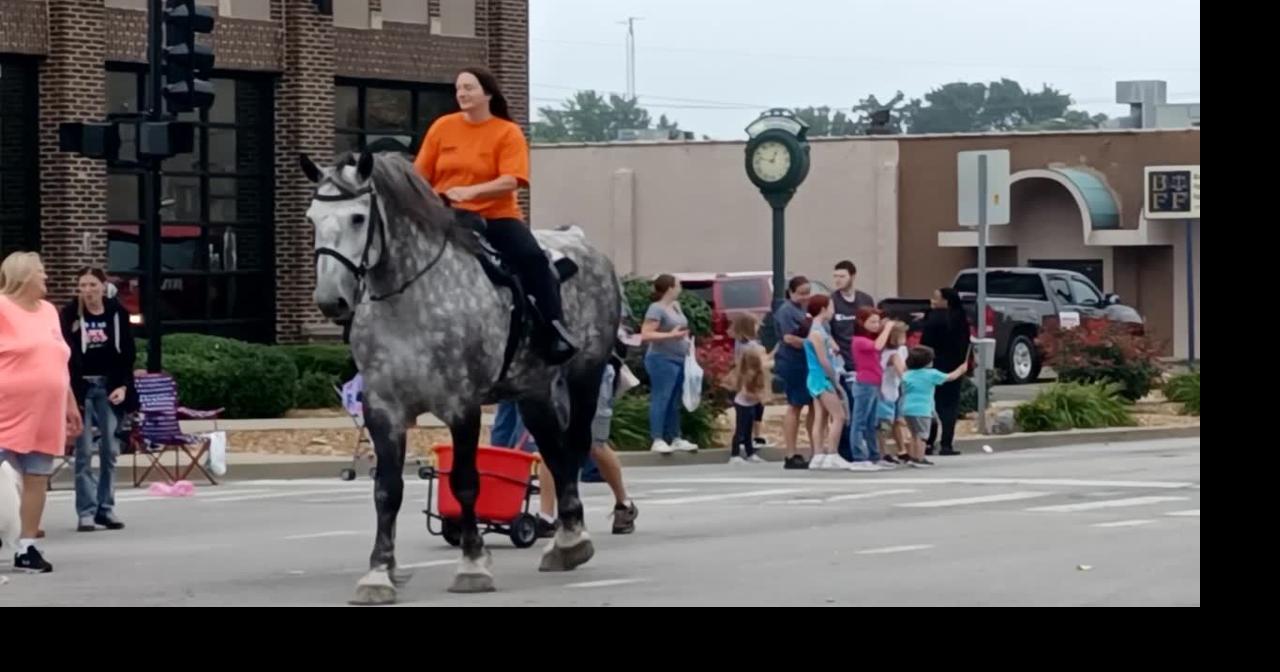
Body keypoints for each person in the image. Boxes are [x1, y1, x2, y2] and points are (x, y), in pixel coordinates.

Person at [413, 66, 577, 365]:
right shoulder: (442, 127)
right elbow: (419, 175)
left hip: (496, 217)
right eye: (459, 88)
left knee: (533, 258)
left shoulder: (507, 132)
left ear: (487, 93)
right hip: (445, 217)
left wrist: (471, 192)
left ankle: (554, 328)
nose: (462, 93)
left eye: (469, 88)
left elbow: (512, 179)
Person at [0, 252, 82, 573]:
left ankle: (27, 547)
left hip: (45, 411)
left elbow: (59, 360)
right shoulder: (2, 308)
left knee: (37, 477)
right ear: (23, 275)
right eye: (41, 272)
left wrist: (70, 403)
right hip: (6, 410)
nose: (46, 277)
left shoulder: (49, 311)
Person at [61, 267, 135, 533]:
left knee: (109, 451)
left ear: (103, 286)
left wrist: (124, 387)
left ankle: (106, 508)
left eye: (93, 285)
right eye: (83, 285)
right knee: (83, 453)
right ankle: (86, 511)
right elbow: (64, 355)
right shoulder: (70, 315)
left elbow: (127, 355)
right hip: (82, 388)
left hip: (108, 387)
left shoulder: (117, 314)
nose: (88, 290)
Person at [639, 274, 698, 454]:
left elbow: (681, 330)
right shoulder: (656, 309)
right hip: (661, 358)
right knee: (661, 397)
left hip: (680, 358)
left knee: (674, 400)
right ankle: (657, 438)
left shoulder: (676, 306)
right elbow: (646, 334)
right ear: (670, 288)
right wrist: (670, 336)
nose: (680, 288)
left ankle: (675, 437)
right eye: (678, 285)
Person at [829, 260, 875, 462]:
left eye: (842, 276)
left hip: (865, 363)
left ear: (853, 276)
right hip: (843, 364)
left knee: (868, 409)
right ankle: (848, 450)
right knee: (849, 408)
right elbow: (826, 330)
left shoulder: (865, 300)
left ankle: (868, 449)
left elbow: (874, 327)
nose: (838, 280)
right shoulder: (831, 301)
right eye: (835, 276)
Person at [772, 276, 817, 470]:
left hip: (809, 363)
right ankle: (790, 453)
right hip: (793, 362)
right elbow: (789, 338)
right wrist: (813, 343)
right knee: (795, 405)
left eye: (808, 292)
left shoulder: (807, 310)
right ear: (791, 293)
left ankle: (817, 450)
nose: (806, 297)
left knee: (815, 405)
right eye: (801, 293)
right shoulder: (786, 311)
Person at [801, 295, 850, 470]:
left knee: (820, 418)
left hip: (816, 378)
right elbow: (823, 360)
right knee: (839, 416)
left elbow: (832, 350)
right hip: (822, 378)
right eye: (831, 307)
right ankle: (832, 454)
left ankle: (818, 455)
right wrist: (834, 382)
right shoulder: (816, 333)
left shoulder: (822, 330)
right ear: (823, 309)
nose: (833, 311)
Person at [921, 287, 971, 456]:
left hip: (933, 366)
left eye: (936, 298)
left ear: (946, 301)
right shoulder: (961, 319)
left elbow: (925, 343)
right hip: (954, 367)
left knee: (930, 405)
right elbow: (966, 344)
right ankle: (946, 444)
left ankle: (927, 442)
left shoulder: (933, 319)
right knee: (949, 406)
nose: (932, 301)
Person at [902, 346, 969, 467]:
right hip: (922, 409)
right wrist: (961, 369)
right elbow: (950, 377)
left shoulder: (907, 374)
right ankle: (920, 458)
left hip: (907, 408)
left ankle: (912, 457)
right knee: (923, 435)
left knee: (914, 434)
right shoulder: (931, 374)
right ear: (927, 362)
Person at [849, 308, 896, 471]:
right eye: (872, 322)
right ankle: (858, 457)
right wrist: (888, 328)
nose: (876, 325)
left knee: (871, 423)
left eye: (877, 322)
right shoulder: (859, 340)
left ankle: (874, 455)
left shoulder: (867, 339)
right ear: (862, 323)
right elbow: (877, 346)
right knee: (859, 421)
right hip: (865, 383)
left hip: (875, 383)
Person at [727, 327, 770, 465]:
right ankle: (734, 455)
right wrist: (758, 397)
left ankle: (750, 453)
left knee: (748, 431)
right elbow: (745, 392)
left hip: (750, 404)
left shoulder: (756, 373)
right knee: (740, 430)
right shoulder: (747, 374)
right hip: (743, 404)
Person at [878, 322, 911, 464]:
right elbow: (902, 372)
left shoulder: (900, 351)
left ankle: (900, 449)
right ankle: (882, 451)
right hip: (885, 391)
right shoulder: (892, 355)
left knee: (895, 420)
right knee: (884, 424)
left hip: (894, 389)